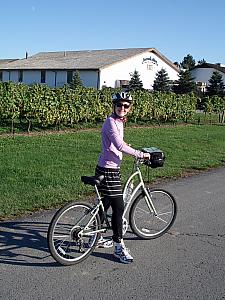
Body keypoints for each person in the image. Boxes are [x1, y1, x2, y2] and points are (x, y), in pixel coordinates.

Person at [94, 91, 150, 264]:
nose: (122, 108)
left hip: (107, 167)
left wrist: (126, 148)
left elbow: (116, 144)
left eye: (126, 105)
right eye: (119, 105)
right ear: (114, 106)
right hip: (108, 170)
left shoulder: (119, 121)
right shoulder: (111, 122)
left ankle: (94, 236)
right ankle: (118, 247)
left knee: (106, 203)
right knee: (119, 208)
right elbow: (118, 144)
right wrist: (139, 154)